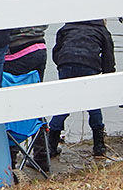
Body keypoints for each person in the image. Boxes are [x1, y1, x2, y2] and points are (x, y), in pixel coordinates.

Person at [4, 0, 49, 169]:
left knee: (10, 104)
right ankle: (42, 156)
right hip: (38, 50)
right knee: (36, 102)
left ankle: (10, 156)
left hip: (13, 53)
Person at [49, 20, 115, 157]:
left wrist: (61, 64)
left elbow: (56, 51)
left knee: (64, 104)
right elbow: (108, 57)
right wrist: (108, 74)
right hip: (89, 65)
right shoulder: (101, 30)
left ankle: (51, 145)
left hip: (66, 63)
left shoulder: (67, 27)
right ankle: (99, 146)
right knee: (93, 104)